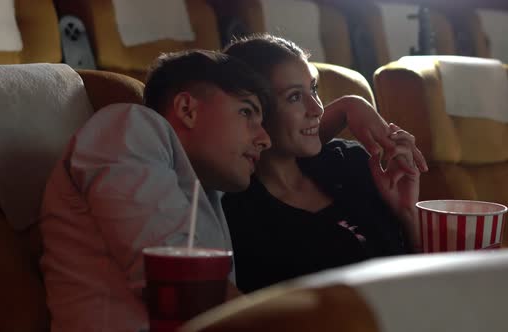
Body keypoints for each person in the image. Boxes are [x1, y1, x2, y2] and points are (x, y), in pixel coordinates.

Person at [38, 50, 273, 332]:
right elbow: (177, 280)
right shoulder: (129, 126)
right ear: (188, 109)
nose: (265, 139)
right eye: (246, 112)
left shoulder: (206, 190)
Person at [221, 34, 427, 293]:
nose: (316, 108)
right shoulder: (242, 210)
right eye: (295, 97)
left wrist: (407, 214)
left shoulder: (349, 162)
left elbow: (418, 279)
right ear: (254, 111)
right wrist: (346, 106)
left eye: (314, 89)